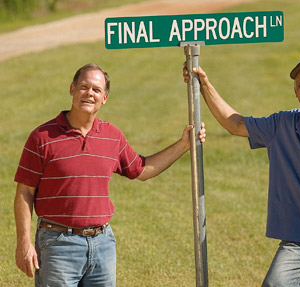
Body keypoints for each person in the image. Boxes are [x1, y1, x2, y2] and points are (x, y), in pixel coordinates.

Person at [183, 56, 300, 287]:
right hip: (299, 239)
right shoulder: (281, 124)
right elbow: (234, 124)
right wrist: (203, 83)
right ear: (295, 91)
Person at [14, 63, 206, 286]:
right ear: (72, 89)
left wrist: (183, 145)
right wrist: (24, 242)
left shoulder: (112, 136)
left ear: (104, 98)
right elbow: (25, 192)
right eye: (84, 87)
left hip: (103, 245)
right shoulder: (42, 137)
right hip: (58, 245)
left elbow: (142, 170)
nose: (89, 93)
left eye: (96, 90)